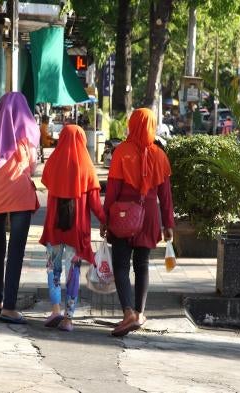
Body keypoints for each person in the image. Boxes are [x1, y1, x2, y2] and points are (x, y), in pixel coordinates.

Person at [100, 108, 175, 337]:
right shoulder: (160, 155)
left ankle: (128, 312)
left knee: (121, 266)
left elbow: (112, 190)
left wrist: (105, 218)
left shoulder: (121, 151)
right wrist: (168, 223)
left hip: (124, 214)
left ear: (132, 124)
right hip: (150, 214)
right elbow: (166, 195)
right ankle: (140, 313)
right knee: (142, 265)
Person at [39, 124, 106, 332]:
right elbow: (95, 203)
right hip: (77, 231)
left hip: (54, 228)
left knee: (53, 269)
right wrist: (106, 221)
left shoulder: (53, 161)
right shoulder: (86, 165)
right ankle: (69, 319)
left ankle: (55, 309)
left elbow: (47, 183)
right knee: (73, 273)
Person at [0, 92, 40, 324]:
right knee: (16, 250)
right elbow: (33, 167)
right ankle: (9, 307)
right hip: (19, 194)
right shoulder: (27, 131)